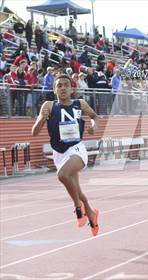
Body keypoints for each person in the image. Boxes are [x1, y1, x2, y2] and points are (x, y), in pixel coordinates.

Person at [31, 74, 100, 236]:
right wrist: (43, 118)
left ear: (71, 89)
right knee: (76, 188)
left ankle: (78, 207)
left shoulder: (79, 104)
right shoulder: (48, 105)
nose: (62, 87)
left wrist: (94, 126)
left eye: (65, 85)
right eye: (59, 85)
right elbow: (34, 132)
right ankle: (90, 212)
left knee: (62, 175)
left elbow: (95, 117)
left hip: (76, 148)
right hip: (59, 152)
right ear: (54, 90)